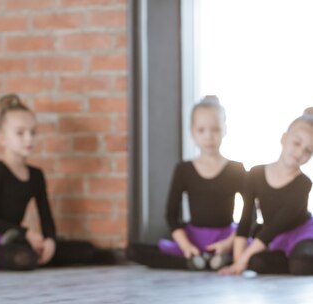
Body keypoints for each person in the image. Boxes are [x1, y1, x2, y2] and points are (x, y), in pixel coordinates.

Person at [0, 93, 117, 271]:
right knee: (23, 258)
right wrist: (27, 233)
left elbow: (45, 216)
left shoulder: (36, 175)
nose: (29, 139)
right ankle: (33, 254)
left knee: (86, 250)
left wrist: (50, 240)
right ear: (2, 138)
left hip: (20, 239)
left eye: (33, 132)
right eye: (20, 133)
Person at [127, 96, 246, 270]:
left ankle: (215, 259)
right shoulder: (184, 169)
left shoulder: (236, 169)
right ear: (192, 132)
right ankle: (196, 259)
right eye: (201, 130)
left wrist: (230, 243)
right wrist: (186, 246)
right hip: (193, 239)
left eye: (215, 130)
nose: (209, 136)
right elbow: (171, 214)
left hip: (226, 237)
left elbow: (249, 214)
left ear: (224, 130)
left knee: (257, 248)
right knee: (133, 251)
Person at [219, 108, 313, 276]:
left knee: (301, 265)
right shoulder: (256, 174)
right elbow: (246, 218)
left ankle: (294, 261)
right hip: (275, 239)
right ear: (284, 139)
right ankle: (286, 261)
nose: (300, 153)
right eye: (297, 143)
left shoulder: (303, 184)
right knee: (256, 263)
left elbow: (276, 225)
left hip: (302, 235)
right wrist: (238, 261)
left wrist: (242, 261)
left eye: (308, 151)